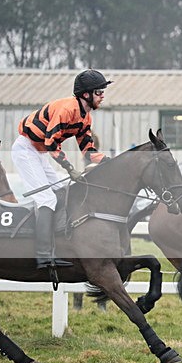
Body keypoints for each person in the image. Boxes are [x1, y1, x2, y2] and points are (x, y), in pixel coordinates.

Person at [11, 69, 111, 269]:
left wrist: (110, 161)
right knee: (46, 198)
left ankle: (58, 244)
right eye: (99, 92)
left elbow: (88, 150)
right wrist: (69, 168)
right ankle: (43, 256)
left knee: (62, 189)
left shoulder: (85, 117)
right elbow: (51, 143)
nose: (103, 96)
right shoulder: (67, 109)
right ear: (86, 94)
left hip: (38, 152)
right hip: (26, 150)